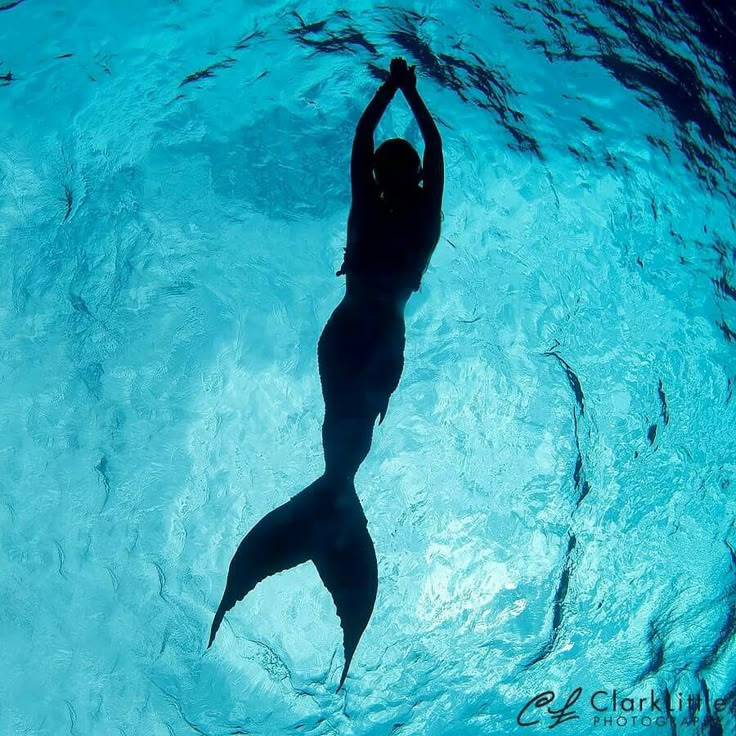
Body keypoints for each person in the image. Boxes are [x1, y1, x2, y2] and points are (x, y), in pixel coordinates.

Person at [208, 57, 444, 691]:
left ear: (406, 177)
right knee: (346, 419)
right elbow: (369, 143)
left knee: (348, 420)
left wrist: (401, 93)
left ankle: (327, 508)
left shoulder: (401, 215)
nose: (386, 176)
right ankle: (330, 506)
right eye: (388, 171)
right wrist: (401, 94)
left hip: (362, 333)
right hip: (362, 335)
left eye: (395, 171)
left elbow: (391, 145)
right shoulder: (394, 213)